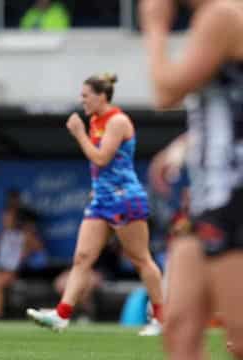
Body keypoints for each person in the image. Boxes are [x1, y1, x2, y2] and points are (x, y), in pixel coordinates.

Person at [140, 0, 243, 356]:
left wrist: (155, 27)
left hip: (232, 193)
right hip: (208, 194)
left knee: (240, 336)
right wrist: (186, 143)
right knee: (181, 327)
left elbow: (166, 91)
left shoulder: (223, 16)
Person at [26, 74, 164, 336]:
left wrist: (78, 134)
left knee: (140, 259)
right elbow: (100, 168)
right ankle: (62, 315)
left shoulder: (118, 121)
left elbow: (101, 158)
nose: (82, 100)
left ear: (101, 96)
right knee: (82, 258)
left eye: (86, 96)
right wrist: (96, 189)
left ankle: (162, 318)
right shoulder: (95, 121)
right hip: (101, 199)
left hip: (125, 197)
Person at [0, 189, 44, 318]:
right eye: (4, 219)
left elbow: (38, 247)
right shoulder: (3, 234)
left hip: (11, 272)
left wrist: (27, 248)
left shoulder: (24, 235)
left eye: (8, 219)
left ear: (15, 220)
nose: (5, 221)